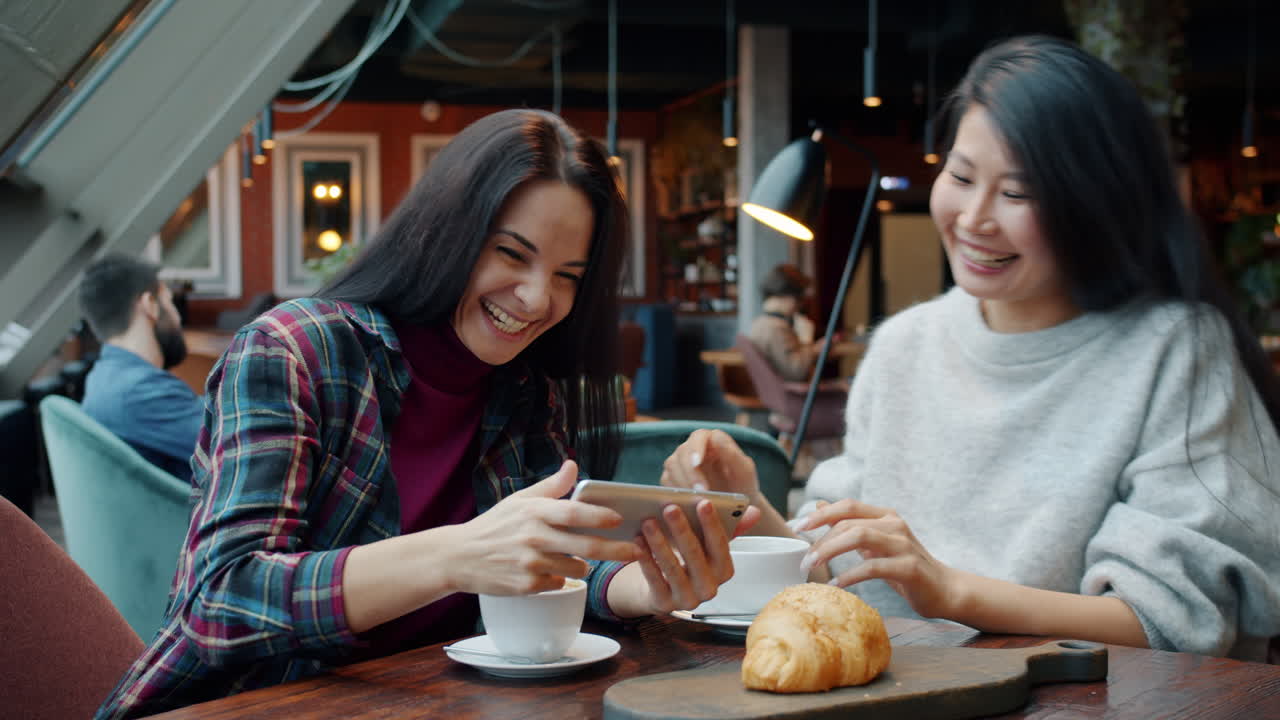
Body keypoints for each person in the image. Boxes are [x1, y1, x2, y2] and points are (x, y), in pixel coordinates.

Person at [96, 109, 759, 719]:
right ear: (447, 230)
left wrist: (646, 586)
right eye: (512, 254)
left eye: (568, 276)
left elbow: (544, 565)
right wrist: (456, 555)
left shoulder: (524, 390)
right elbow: (221, 601)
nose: (536, 298)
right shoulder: (293, 353)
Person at [662, 35, 1280, 660]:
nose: (975, 218)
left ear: (1094, 203)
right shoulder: (905, 344)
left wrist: (950, 591)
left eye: (1017, 193)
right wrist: (746, 504)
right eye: (960, 176)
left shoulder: (1175, 351)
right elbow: (835, 577)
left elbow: (1175, 623)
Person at [78, 254, 203, 481]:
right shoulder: (141, 391)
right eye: (170, 302)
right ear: (150, 305)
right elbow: (237, 448)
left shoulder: (102, 377)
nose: (177, 317)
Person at [747, 263, 824, 382]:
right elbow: (797, 373)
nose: (799, 305)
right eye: (799, 298)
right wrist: (808, 342)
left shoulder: (760, 324)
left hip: (778, 395)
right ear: (787, 296)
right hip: (796, 397)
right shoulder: (775, 328)